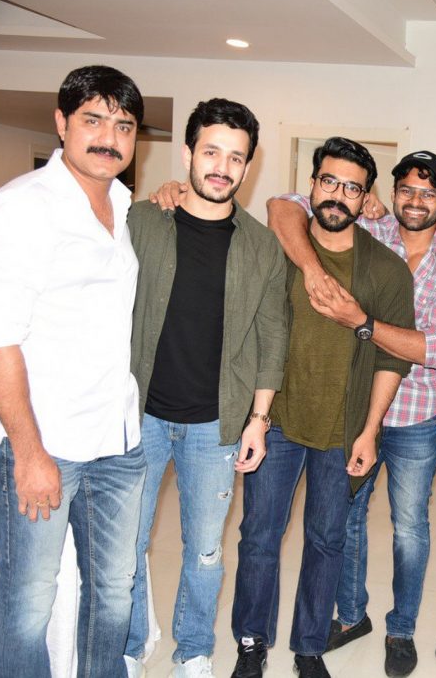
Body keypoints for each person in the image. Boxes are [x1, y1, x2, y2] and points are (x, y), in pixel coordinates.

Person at [268, 150, 436, 676]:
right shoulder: (367, 227)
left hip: (415, 418)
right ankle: (351, 615)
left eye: (428, 193)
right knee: (345, 521)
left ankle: (401, 629)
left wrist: (361, 321)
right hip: (354, 410)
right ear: (389, 194)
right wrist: (317, 265)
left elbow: (433, 349)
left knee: (409, 527)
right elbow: (282, 205)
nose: (416, 201)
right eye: (406, 190)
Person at [0, 65, 146, 678]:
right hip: (46, 443)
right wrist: (28, 452)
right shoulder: (22, 208)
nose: (109, 138)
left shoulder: (120, 203)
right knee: (29, 604)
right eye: (93, 120)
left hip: (117, 441)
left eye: (123, 126)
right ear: (61, 123)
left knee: (114, 593)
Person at [229, 137, 415, 678]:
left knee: (327, 540)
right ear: (310, 185)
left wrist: (370, 430)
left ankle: (309, 646)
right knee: (259, 536)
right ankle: (251, 642)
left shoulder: (387, 269)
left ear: (366, 197)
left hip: (342, 427)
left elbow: (392, 358)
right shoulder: (280, 249)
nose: (338, 195)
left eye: (352, 188)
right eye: (328, 181)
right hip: (277, 421)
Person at [124, 99, 288, 677]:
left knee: (205, 551)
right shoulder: (142, 222)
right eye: (211, 151)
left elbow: (273, 336)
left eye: (236, 157)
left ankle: (194, 650)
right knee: (126, 545)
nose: (222, 167)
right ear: (188, 153)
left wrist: (259, 421)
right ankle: (131, 642)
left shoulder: (262, 245)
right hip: (137, 416)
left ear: (248, 166)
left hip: (215, 425)